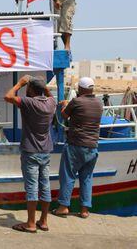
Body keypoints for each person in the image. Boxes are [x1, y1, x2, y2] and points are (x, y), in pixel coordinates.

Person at [4, 75, 56, 233]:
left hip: (30, 151)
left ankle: (31, 224)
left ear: (31, 89)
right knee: (45, 186)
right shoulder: (51, 103)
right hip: (46, 151)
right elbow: (50, 95)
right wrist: (42, 85)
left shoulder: (28, 103)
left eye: (28, 87)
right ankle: (44, 221)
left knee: (32, 187)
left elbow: (8, 96)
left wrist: (20, 83)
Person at [53, 77, 103, 219]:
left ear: (80, 89)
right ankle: (84, 210)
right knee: (87, 178)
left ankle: (63, 207)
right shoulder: (99, 103)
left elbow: (64, 115)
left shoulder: (76, 101)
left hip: (75, 145)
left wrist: (64, 104)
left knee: (68, 175)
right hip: (92, 147)